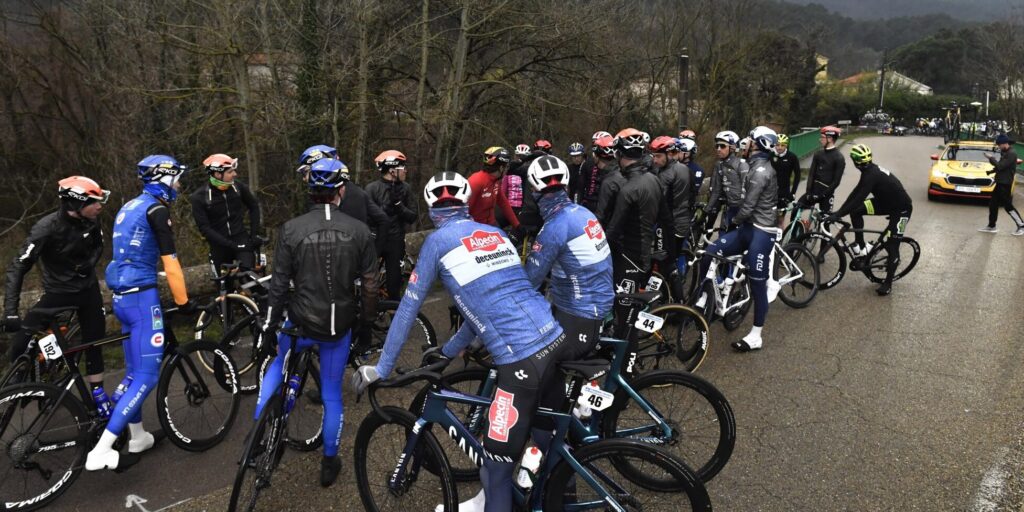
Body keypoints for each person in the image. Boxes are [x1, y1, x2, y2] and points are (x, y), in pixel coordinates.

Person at [353, 171, 570, 512]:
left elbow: (408, 309)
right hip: (553, 339)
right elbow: (483, 304)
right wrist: (450, 350)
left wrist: (381, 368)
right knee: (547, 437)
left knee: (493, 473)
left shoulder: (438, 243)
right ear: (466, 203)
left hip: (520, 361)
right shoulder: (495, 233)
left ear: (429, 208)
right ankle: (556, 496)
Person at [258, 157, 378, 487]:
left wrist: (269, 328)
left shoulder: (291, 229)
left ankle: (257, 440)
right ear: (341, 190)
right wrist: (366, 327)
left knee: (277, 366)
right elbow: (370, 286)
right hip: (337, 330)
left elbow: (279, 285)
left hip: (299, 323)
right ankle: (329, 461)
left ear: (310, 190)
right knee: (331, 396)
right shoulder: (359, 231)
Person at [89, 155, 196, 471]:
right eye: (176, 178)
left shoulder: (128, 206)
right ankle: (102, 449)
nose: (179, 184)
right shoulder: (157, 209)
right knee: (148, 376)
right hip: (141, 299)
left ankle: (137, 436)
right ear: (163, 179)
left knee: (134, 372)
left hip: (121, 296)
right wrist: (184, 302)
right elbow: (171, 263)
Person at [3, 177, 109, 407]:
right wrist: (10, 311)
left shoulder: (92, 220)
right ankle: (19, 384)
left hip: (88, 290)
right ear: (74, 205)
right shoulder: (46, 228)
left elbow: (99, 247)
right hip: (58, 294)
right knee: (21, 341)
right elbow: (18, 266)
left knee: (94, 344)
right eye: (94, 201)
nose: (100, 206)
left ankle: (99, 396)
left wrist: (85, 267)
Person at [697, 127, 779, 352]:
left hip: (761, 231)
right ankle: (705, 297)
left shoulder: (761, 171)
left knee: (758, 283)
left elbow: (747, 206)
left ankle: (756, 335)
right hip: (747, 227)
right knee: (710, 251)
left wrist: (732, 223)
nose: (745, 143)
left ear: (758, 145)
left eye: (749, 141)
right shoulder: (750, 165)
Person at [823, 144, 913, 295]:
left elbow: (859, 197)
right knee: (856, 211)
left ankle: (888, 283)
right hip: (884, 202)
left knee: (892, 246)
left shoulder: (871, 174)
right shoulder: (868, 171)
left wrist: (837, 215)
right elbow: (855, 193)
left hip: (901, 209)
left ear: (854, 161)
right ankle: (861, 246)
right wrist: (839, 212)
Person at [604, 128, 661, 335]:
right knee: (630, 310)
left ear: (619, 155)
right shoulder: (654, 179)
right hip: (645, 250)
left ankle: (627, 362)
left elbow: (612, 231)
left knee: (625, 317)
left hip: (630, 256)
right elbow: (665, 219)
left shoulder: (628, 189)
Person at [296, 145, 389, 252]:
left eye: (305, 171)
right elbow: (383, 219)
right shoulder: (355, 190)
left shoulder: (347, 194)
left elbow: (383, 220)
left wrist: (374, 254)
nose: (304, 178)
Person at [189, 153, 263, 277]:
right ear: (218, 174)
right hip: (219, 245)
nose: (235, 174)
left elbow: (254, 206)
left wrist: (254, 234)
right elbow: (204, 228)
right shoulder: (199, 197)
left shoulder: (238, 187)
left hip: (241, 239)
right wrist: (230, 245)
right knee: (224, 286)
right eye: (230, 172)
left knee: (249, 277)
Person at [365, 150, 418, 299]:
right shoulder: (372, 189)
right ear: (393, 170)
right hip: (375, 241)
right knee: (367, 283)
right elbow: (365, 218)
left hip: (395, 242)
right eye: (403, 167)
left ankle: (395, 319)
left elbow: (412, 217)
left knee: (394, 287)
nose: (406, 170)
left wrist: (398, 205)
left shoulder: (406, 188)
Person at [650, 136, 692, 300]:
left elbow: (659, 202)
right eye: (653, 156)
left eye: (658, 156)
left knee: (666, 263)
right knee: (670, 260)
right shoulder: (681, 168)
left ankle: (677, 304)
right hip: (680, 221)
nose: (655, 160)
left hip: (671, 224)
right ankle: (673, 299)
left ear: (669, 153)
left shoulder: (668, 173)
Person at [468, 147, 521, 237]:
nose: (508, 169)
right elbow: (465, 211)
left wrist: (517, 225)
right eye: (507, 166)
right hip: (475, 228)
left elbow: (503, 203)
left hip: (491, 225)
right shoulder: (476, 181)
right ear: (501, 168)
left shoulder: (496, 180)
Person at [979, 134, 1024, 235]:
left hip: (1005, 183)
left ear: (1004, 144)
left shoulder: (1011, 153)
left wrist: (991, 158)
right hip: (1000, 182)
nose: (998, 146)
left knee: (1008, 206)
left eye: (999, 145)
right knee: (993, 204)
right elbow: (1001, 167)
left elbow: (1000, 166)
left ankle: (1021, 225)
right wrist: (991, 171)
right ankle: (991, 226)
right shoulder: (1006, 152)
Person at [798, 126, 845, 219]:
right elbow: (811, 174)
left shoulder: (839, 157)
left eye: (822, 137)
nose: (820, 140)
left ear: (830, 139)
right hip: (813, 190)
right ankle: (796, 231)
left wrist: (822, 195)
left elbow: (836, 182)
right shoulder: (818, 154)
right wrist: (808, 192)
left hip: (826, 194)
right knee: (796, 209)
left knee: (825, 222)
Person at [704, 130, 747, 231]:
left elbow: (749, 190)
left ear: (732, 148)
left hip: (742, 211)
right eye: (717, 146)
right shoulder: (719, 165)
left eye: (722, 146)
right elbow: (716, 191)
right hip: (728, 209)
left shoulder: (742, 164)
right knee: (722, 238)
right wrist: (707, 210)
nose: (718, 149)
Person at [592, 134, 625, 226]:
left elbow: (601, 215)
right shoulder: (622, 171)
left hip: (611, 229)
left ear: (596, 156)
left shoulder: (608, 180)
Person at [575, 131, 611, 212]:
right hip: (589, 203)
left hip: (607, 205)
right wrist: (577, 205)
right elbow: (579, 188)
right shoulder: (587, 164)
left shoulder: (615, 165)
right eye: (594, 144)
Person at [772, 134, 801, 217]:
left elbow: (797, 175)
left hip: (784, 192)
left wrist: (793, 193)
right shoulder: (771, 155)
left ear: (786, 145)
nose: (779, 147)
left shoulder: (792, 157)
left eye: (782, 145)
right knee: (769, 218)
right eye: (777, 145)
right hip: (770, 191)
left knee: (780, 219)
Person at [673, 137, 705, 207]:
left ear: (687, 154)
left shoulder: (697, 170)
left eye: (678, 152)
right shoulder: (673, 166)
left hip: (687, 205)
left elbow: (694, 190)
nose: (675, 154)